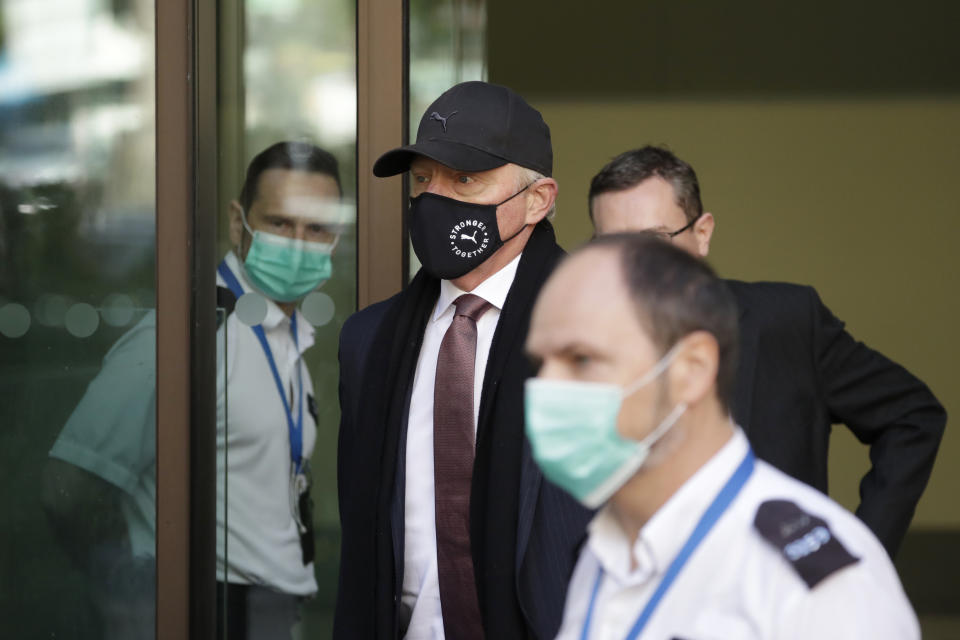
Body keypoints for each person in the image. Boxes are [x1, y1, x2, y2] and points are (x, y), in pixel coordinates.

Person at [524, 233, 921, 639]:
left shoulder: (809, 584)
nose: (547, 387)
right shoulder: (603, 551)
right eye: (541, 362)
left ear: (692, 370)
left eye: (583, 359)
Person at [41, 141, 345, 639]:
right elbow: (66, 488)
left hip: (269, 607)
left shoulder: (284, 336)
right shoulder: (183, 339)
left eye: (316, 229)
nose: (297, 243)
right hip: (206, 608)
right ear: (237, 223)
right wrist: (128, 588)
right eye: (279, 223)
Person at [587, 145, 946, 557]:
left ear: (702, 234)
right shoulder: (579, 352)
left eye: (653, 240)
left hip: (776, 599)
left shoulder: (786, 322)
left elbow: (912, 415)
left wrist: (862, 552)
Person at [335, 81, 592, 639]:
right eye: (423, 178)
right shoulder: (368, 342)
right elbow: (362, 538)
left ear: (538, 199)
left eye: (465, 179)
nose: (434, 198)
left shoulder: (599, 328)